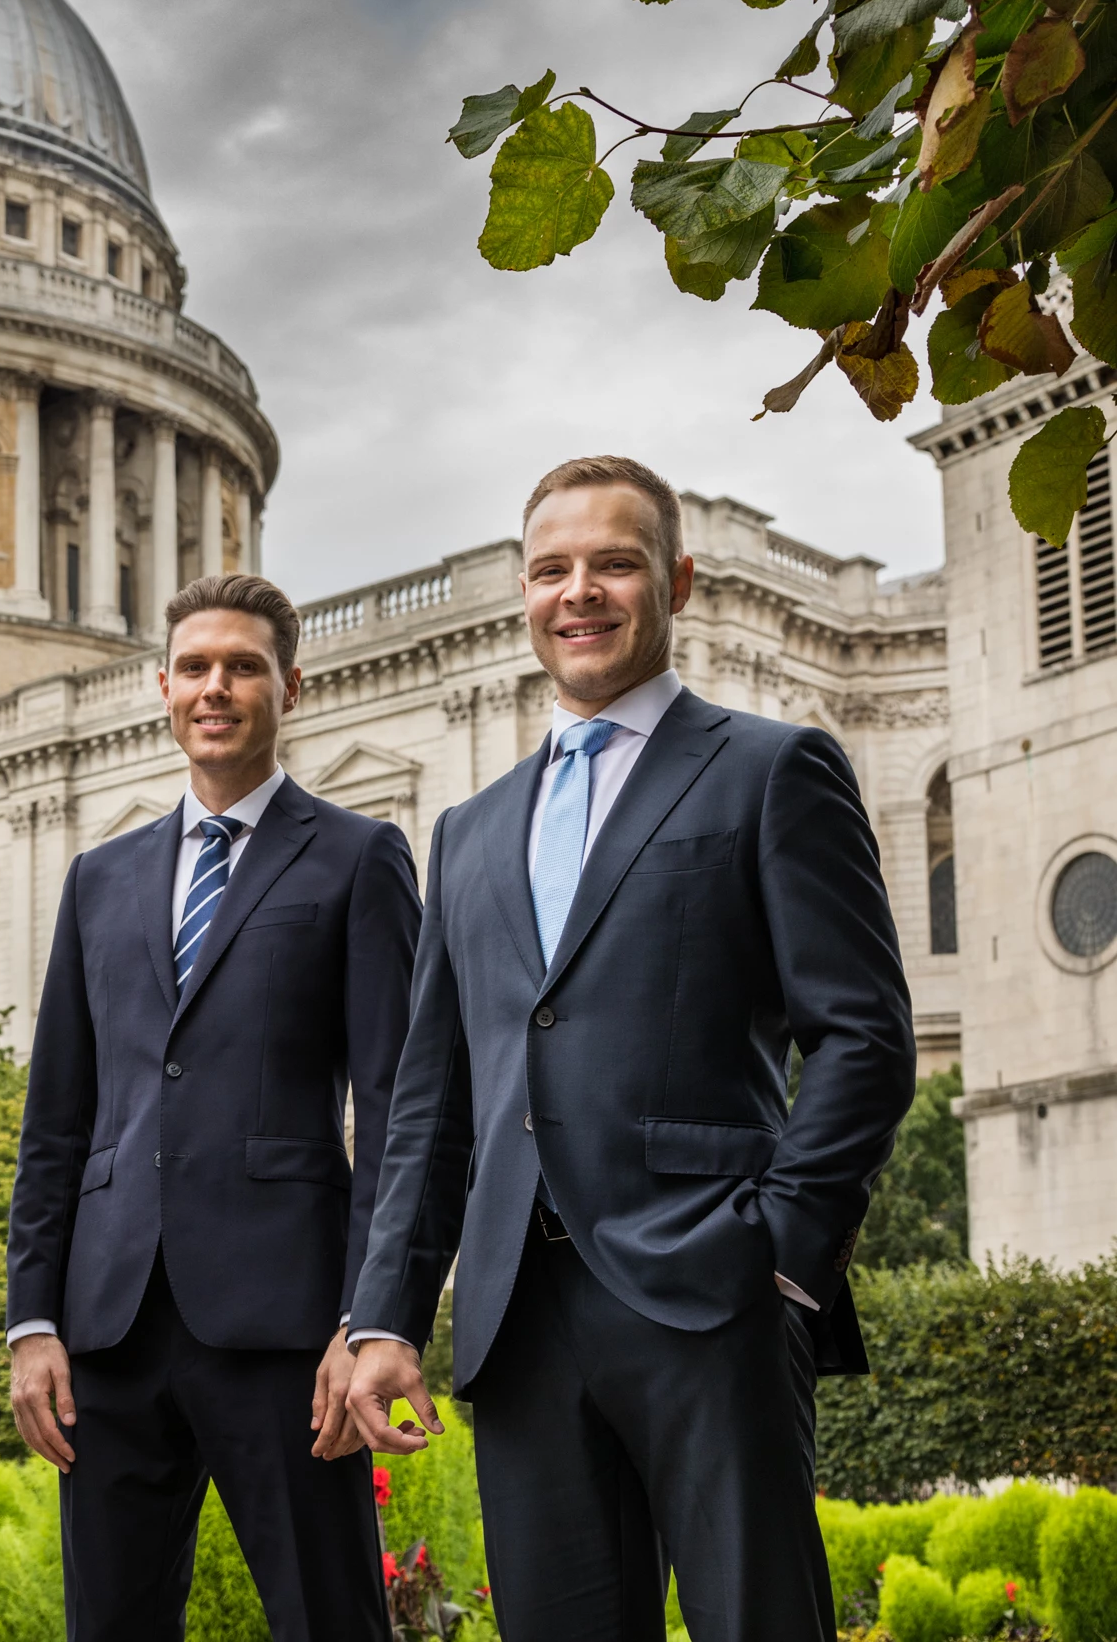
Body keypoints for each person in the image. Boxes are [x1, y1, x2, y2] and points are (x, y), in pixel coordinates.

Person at [343, 457, 917, 1642]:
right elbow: (429, 1104)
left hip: (711, 1291)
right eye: (552, 568)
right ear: (523, 592)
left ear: (678, 581)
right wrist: (387, 1315)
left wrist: (784, 1255)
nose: (581, 591)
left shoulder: (771, 767)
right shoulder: (468, 829)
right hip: (515, 1318)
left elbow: (863, 1033)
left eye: (614, 561)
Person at [6, 573, 419, 1640]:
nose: (215, 687)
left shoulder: (356, 855)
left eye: (242, 666)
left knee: (330, 1617)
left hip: (285, 1320)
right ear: (162, 686)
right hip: (108, 1320)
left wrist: (366, 1314)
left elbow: (391, 1106)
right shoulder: (98, 875)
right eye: (195, 666)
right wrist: (31, 1316)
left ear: (290, 685)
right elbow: (58, 1111)